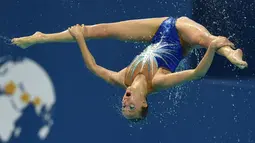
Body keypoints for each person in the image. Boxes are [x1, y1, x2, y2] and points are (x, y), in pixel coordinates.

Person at [12, 16, 248, 121]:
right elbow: (198, 73)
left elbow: (94, 67)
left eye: (124, 107)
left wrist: (79, 39)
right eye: (132, 107)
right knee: (205, 38)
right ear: (144, 103)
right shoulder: (159, 81)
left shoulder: (123, 79)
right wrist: (211, 51)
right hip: (181, 34)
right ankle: (230, 52)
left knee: (99, 30)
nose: (126, 103)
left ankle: (41, 37)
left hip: (158, 29)